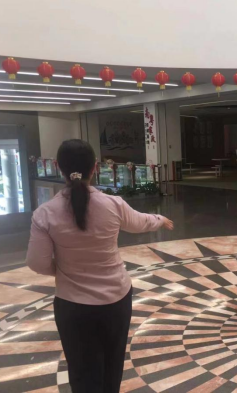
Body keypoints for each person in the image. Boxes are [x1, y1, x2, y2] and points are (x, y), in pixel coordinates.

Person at [26, 140, 174, 393]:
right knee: (112, 368)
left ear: (59, 168)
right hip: (116, 301)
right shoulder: (113, 204)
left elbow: (36, 262)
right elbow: (140, 222)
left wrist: (64, 269)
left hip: (72, 306)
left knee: (82, 373)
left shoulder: (45, 213)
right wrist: (160, 219)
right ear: (95, 167)